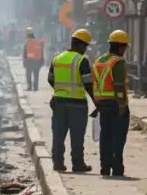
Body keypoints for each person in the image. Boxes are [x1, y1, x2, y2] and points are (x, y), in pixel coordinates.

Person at [47, 28, 98, 173]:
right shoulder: (82, 61)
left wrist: (59, 91)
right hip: (77, 104)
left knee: (58, 134)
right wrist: (96, 102)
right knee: (77, 135)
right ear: (81, 45)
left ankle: (58, 163)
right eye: (86, 46)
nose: (85, 49)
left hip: (59, 102)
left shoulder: (57, 58)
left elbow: (50, 79)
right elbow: (88, 84)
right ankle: (77, 164)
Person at [94, 30, 132, 177]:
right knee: (118, 138)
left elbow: (96, 84)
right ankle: (117, 168)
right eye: (125, 47)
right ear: (121, 47)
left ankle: (104, 167)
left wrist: (97, 103)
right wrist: (122, 104)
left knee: (105, 136)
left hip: (103, 104)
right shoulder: (118, 62)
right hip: (116, 104)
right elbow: (119, 85)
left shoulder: (99, 61)